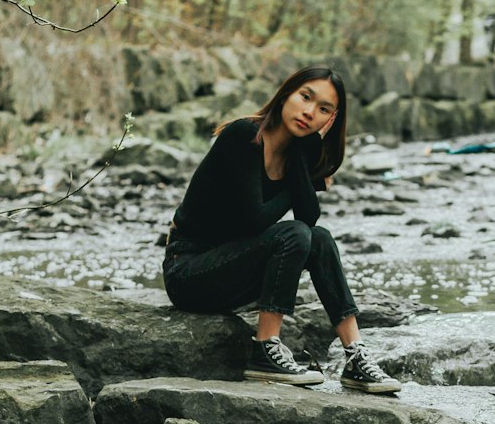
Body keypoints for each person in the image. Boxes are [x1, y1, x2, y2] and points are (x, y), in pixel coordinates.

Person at [162, 64, 401, 394]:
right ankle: (265, 348)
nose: (308, 112)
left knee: (318, 238)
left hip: (231, 266)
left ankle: (355, 354)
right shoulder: (244, 136)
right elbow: (255, 220)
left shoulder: (298, 150)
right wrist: (301, 178)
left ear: (331, 120)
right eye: (305, 97)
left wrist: (303, 157)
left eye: (323, 109)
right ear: (287, 92)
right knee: (293, 234)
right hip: (188, 271)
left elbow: (309, 217)